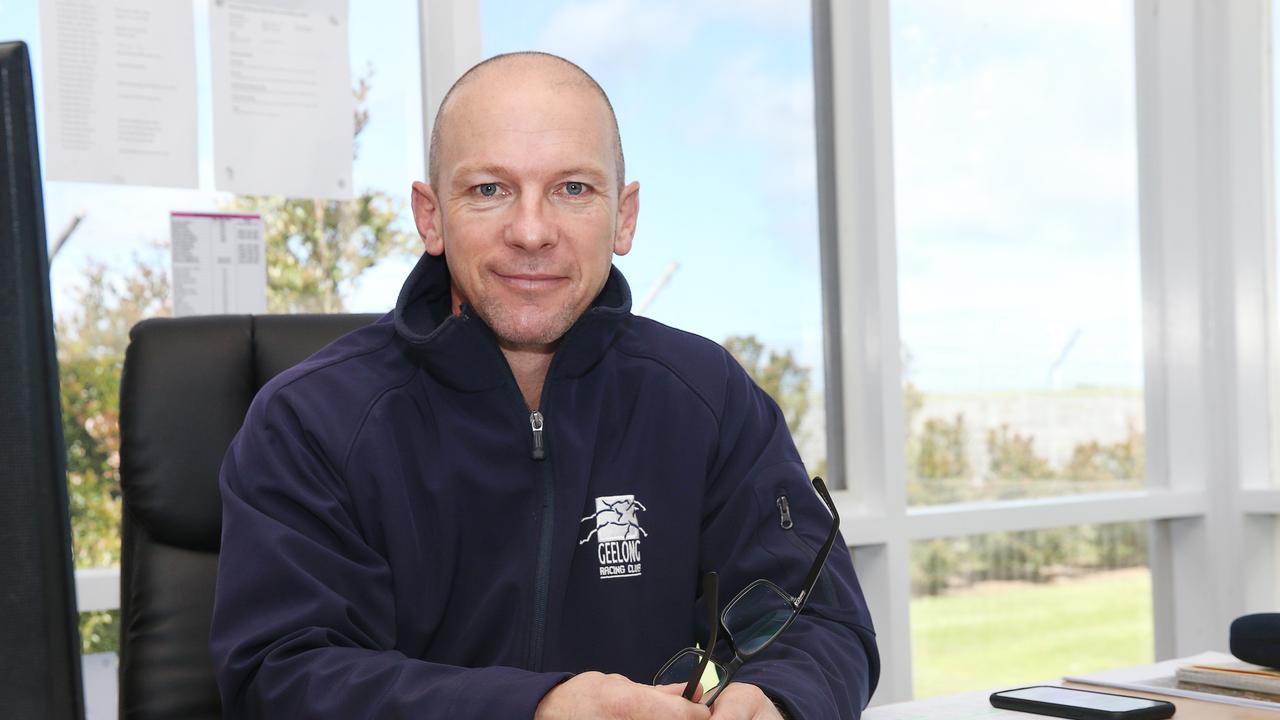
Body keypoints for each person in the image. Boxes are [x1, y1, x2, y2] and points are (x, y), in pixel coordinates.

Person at [210, 51, 879, 719]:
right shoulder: (307, 422)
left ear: (624, 216)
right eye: (489, 190)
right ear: (430, 215)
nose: (531, 232)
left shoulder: (709, 399)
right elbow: (283, 676)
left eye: (573, 189)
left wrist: (781, 699)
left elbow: (821, 620)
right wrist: (533, 708)